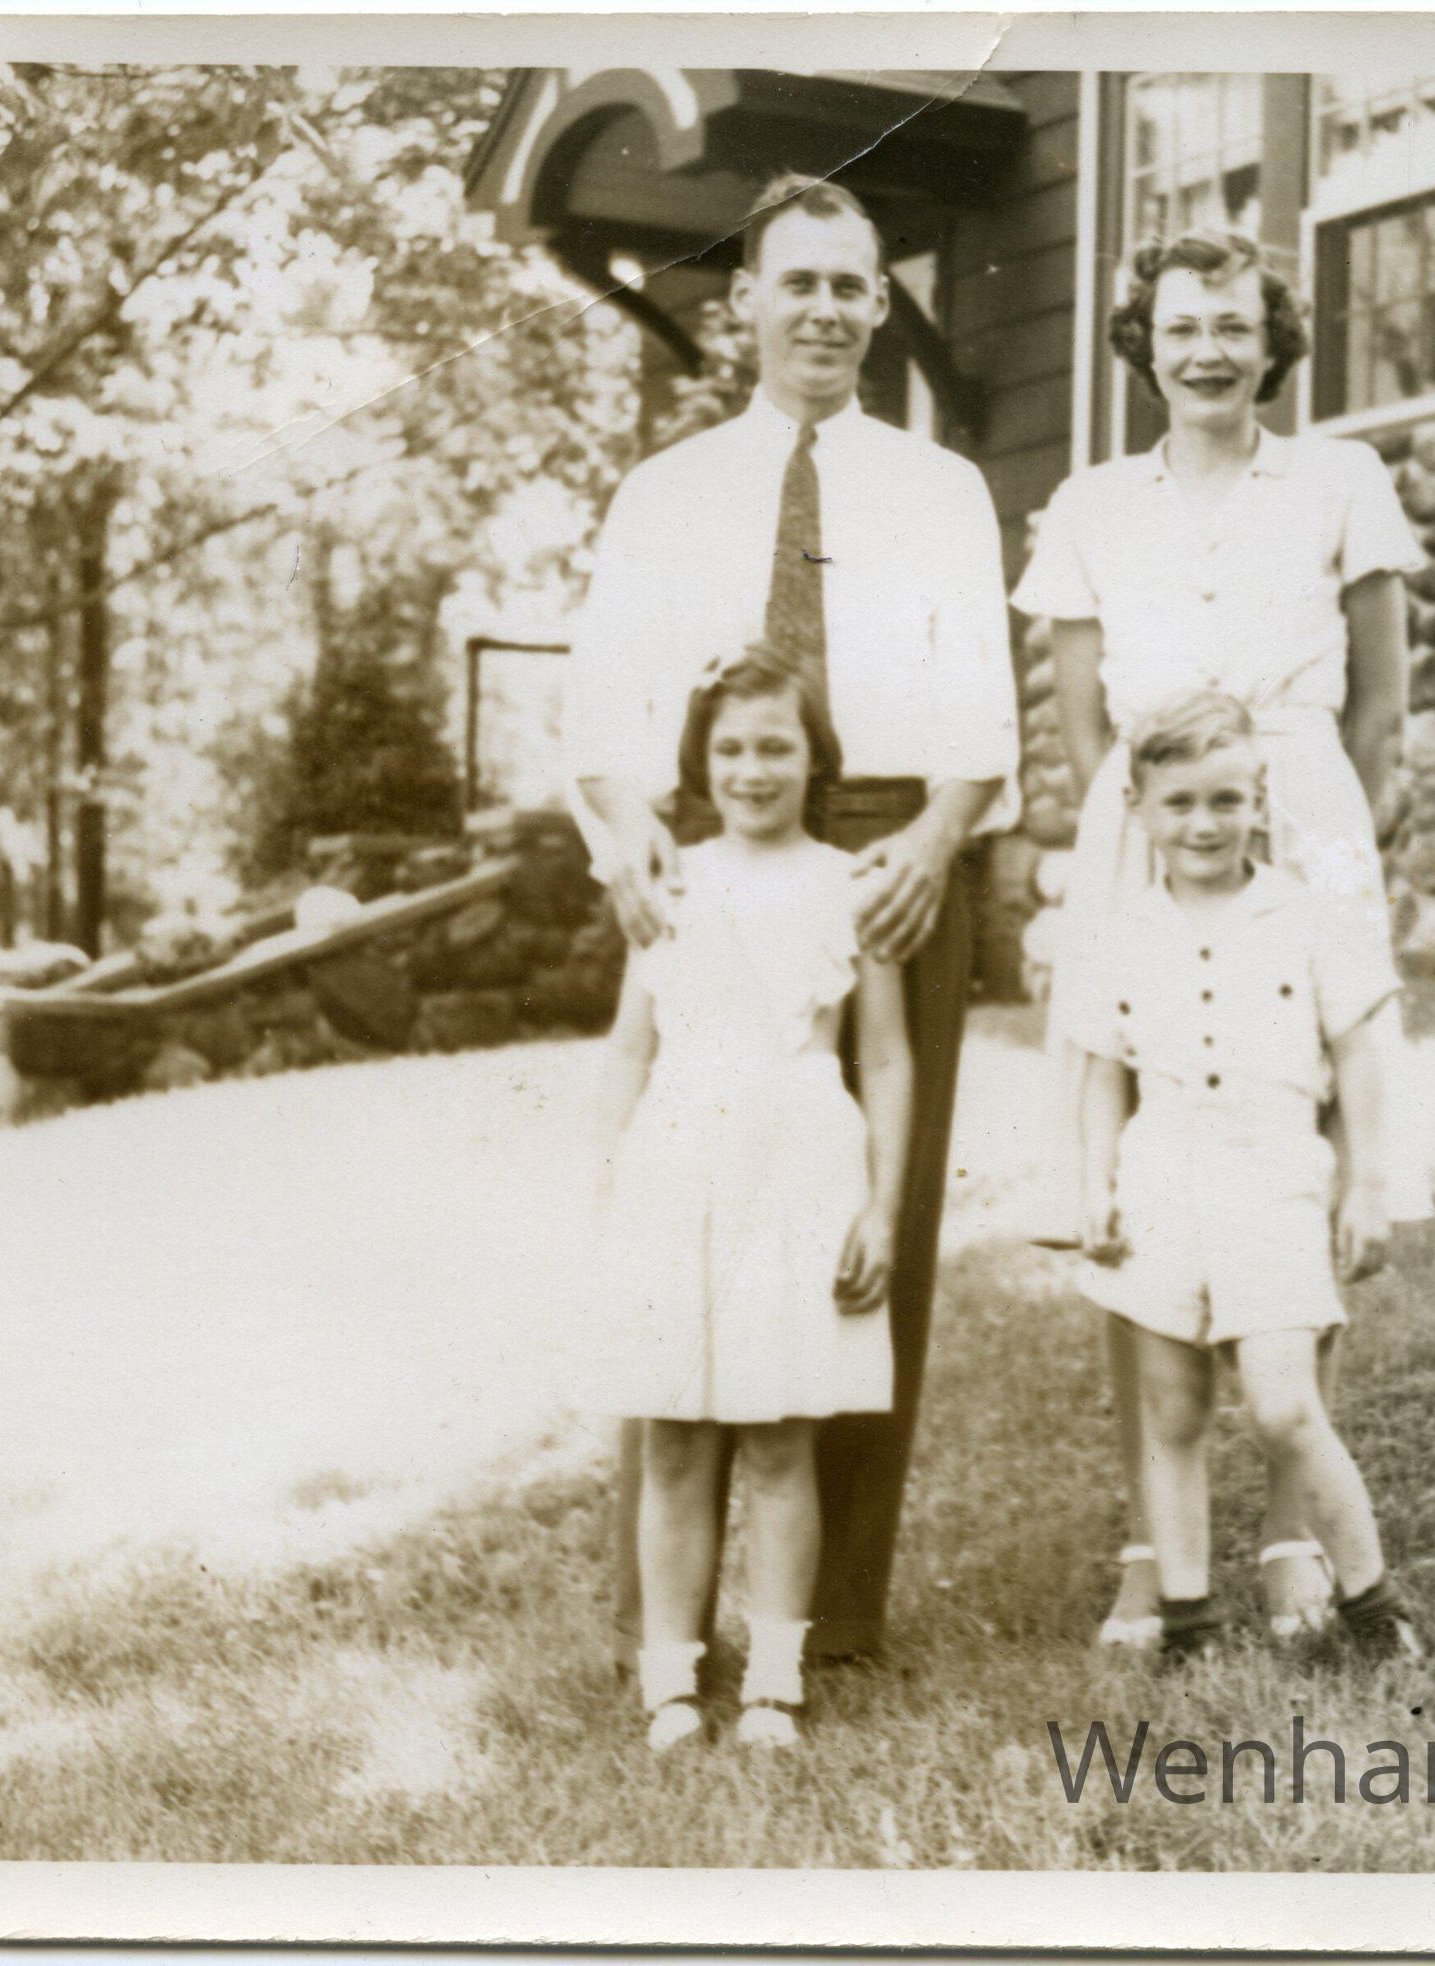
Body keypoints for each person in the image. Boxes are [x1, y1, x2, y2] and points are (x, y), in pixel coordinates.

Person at [566, 172, 1019, 1665]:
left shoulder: (940, 488)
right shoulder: (668, 491)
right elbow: (602, 708)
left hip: (893, 847)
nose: (823, 309)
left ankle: (827, 1618)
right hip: (713, 838)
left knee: (864, 1223)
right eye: (797, 282)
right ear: (744, 302)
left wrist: (938, 840)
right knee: (688, 1216)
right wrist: (630, 829)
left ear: (881, 306)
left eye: (849, 284)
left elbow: (985, 714)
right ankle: (664, 1622)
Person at [1011, 227, 1435, 1650]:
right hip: (1146, 817)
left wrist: (1333, 856)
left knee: (1293, 1130)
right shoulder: (1091, 501)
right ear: (1145, 342)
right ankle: (1156, 1540)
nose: (1208, 350)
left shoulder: (1340, 479)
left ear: (1273, 341)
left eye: (1235, 326)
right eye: (1182, 326)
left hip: (1302, 798)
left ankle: (1295, 1533)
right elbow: (1084, 721)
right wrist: (1131, 838)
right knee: (1143, 1148)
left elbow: (1382, 707)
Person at [590, 647, 912, 1751]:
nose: (752, 769)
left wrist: (881, 1209)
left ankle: (775, 1681)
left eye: (777, 745)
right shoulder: (668, 878)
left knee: (780, 1434)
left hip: (800, 1165)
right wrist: (611, 1182)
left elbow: (889, 1057)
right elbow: (628, 1049)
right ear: (700, 761)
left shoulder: (851, 884)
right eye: (729, 748)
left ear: (817, 756)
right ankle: (670, 1683)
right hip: (678, 1163)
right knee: (674, 1435)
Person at [1069, 691, 1427, 1665]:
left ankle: (1372, 1602)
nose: (1204, 824)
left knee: (1282, 1404)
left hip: (1272, 1182)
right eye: (1180, 802)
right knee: (1172, 1410)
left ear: (1260, 802)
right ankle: (1188, 1619)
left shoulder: (1305, 917)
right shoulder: (1117, 934)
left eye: (1227, 800)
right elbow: (1101, 1074)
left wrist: (1366, 1185)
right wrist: (1096, 1185)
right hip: (1159, 1184)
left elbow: (1358, 1054)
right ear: (1139, 808)